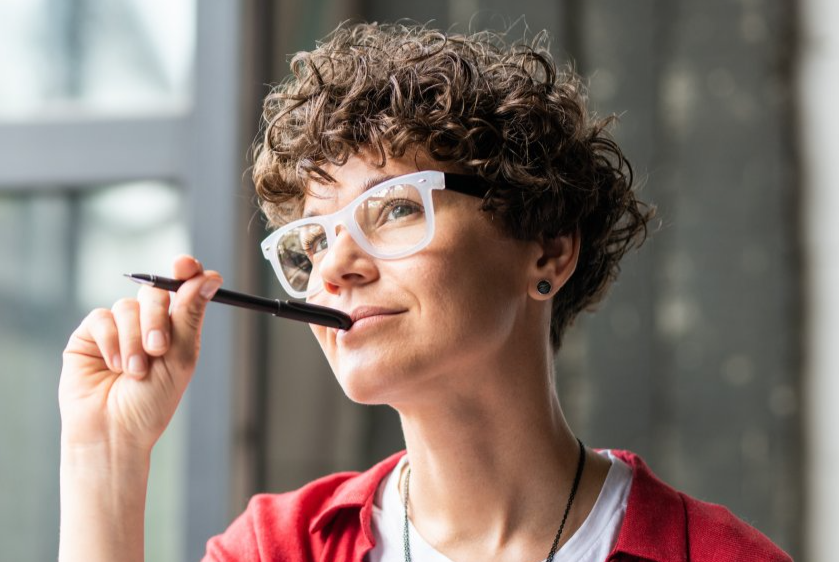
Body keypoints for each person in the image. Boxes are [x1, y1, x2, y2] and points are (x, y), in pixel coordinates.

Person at [58, 23, 792, 562]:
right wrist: (106, 455)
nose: (334, 267)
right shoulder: (280, 549)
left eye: (395, 209)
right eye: (312, 241)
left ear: (548, 248)